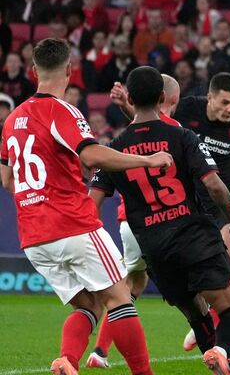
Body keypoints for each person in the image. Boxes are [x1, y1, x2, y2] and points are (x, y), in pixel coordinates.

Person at [0, 38, 170, 375]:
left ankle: (67, 361)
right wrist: (147, 159)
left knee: (90, 305)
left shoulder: (12, 119)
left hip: (34, 237)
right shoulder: (61, 110)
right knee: (120, 297)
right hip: (72, 224)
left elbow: (7, 178)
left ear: (34, 71)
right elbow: (91, 154)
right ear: (69, 70)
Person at [110, 72, 230, 364]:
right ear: (209, 97)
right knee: (210, 276)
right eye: (225, 102)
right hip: (195, 199)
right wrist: (129, 109)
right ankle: (226, 342)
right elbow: (154, 127)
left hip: (223, 198)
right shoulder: (188, 111)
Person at [89, 66, 230, 374]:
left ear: (130, 99)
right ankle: (221, 349)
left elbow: (91, 204)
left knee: (196, 315)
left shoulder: (114, 150)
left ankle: (222, 363)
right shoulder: (181, 135)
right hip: (195, 238)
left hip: (157, 249)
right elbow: (215, 185)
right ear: (163, 97)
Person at [86, 74, 186, 369]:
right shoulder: (176, 132)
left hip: (126, 222)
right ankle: (225, 351)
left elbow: (143, 127)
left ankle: (99, 351)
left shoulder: (123, 139)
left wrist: (125, 106)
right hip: (161, 221)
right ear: (169, 100)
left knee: (131, 285)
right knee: (205, 278)